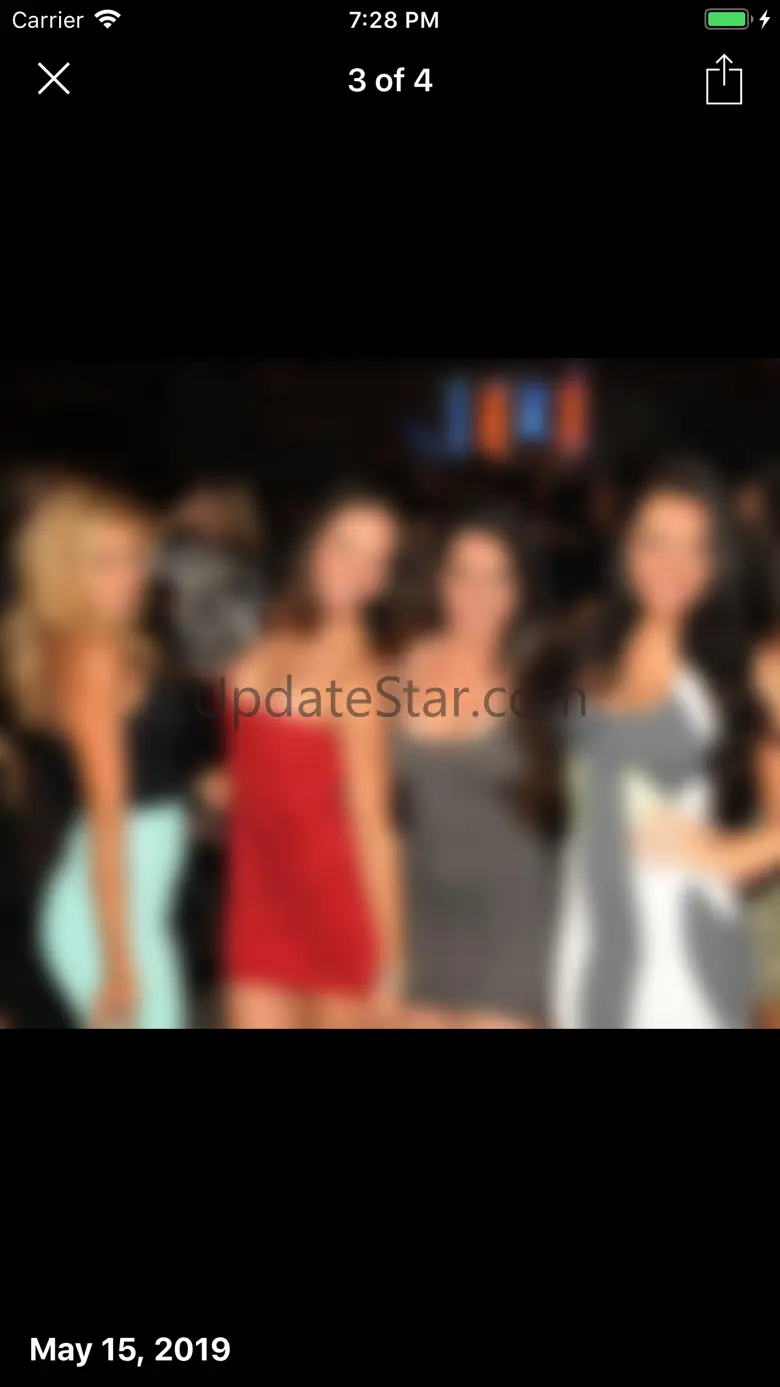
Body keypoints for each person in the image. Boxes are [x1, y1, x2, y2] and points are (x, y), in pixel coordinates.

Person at [550, 460, 772, 1030]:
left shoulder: (740, 665)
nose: (673, 564)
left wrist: (723, 854)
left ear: (716, 561)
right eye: (655, 541)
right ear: (626, 547)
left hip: (682, 965)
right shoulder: (591, 643)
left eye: (694, 546)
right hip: (586, 952)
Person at [2, 480, 216, 1028]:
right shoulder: (90, 655)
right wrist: (119, 958)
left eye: (135, 557)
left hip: (130, 909)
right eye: (105, 562)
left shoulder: (111, 644)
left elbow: (143, 767)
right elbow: (107, 816)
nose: (130, 576)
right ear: (64, 571)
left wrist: (194, 792)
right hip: (111, 920)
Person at [224, 488, 401, 1028]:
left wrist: (391, 961)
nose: (357, 569)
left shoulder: (361, 676)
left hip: (332, 904)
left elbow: (372, 826)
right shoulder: (272, 632)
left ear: (385, 579)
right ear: (312, 546)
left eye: (376, 559)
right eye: (344, 546)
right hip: (257, 892)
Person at [392, 509, 557, 1028]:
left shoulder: (544, 673)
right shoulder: (401, 666)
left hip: (515, 918)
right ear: (439, 581)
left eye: (497, 577)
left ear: (520, 589)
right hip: (418, 915)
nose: (478, 594)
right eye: (463, 574)